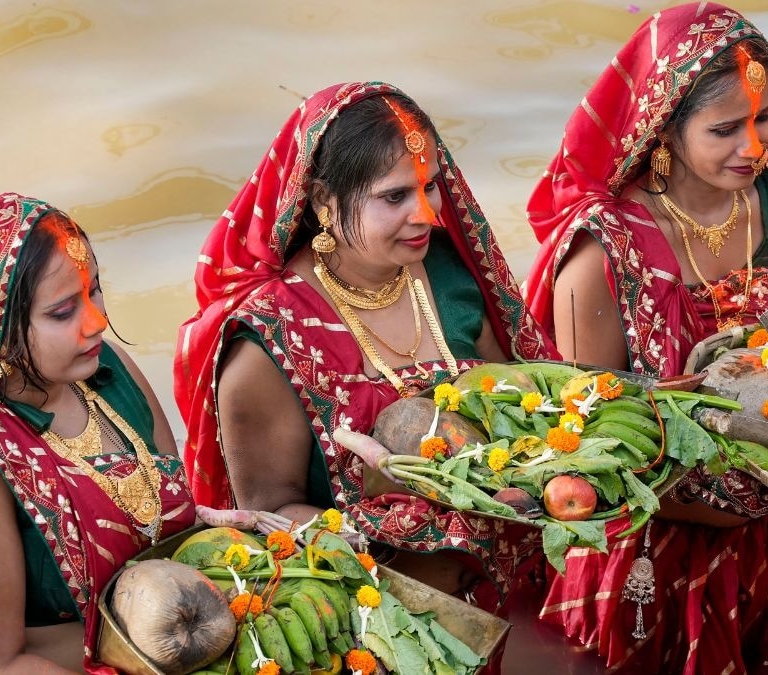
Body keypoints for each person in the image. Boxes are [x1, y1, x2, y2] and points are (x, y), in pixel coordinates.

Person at [174, 82, 557, 608]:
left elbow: (524, 401)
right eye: (395, 196)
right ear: (324, 203)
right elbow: (270, 514)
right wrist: (392, 530)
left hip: (507, 585)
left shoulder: (450, 273)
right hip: (382, 615)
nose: (424, 213)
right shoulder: (270, 337)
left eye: (432, 186)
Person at [523, 4, 768, 673]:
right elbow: (591, 445)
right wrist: (714, 500)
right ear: (665, 129)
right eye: (725, 129)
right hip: (648, 551)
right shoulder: (603, 254)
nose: (754, 146)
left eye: (766, 116)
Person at [0, 194, 196, 673]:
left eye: (95, 292)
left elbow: (184, 535)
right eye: (63, 311)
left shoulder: (105, 371)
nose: (97, 323)